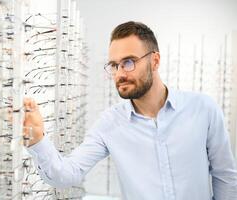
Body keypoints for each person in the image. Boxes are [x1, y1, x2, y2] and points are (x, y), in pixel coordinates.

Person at [23, 21, 237, 200]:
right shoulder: (110, 123)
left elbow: (225, 177)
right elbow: (66, 174)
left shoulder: (203, 109)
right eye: (114, 65)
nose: (119, 74)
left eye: (128, 62)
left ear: (155, 61)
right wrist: (37, 138)